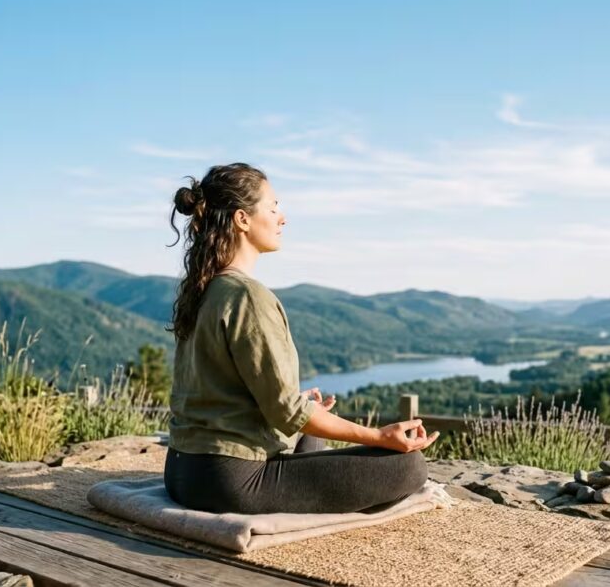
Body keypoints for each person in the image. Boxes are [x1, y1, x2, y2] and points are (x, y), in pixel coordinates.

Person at [164, 162, 440, 515]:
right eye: (273, 207)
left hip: (183, 471)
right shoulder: (247, 296)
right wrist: (379, 436)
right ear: (241, 219)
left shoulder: (203, 290)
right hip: (229, 479)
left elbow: (226, 392)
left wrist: (299, 407)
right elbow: (288, 412)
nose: (282, 218)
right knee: (409, 466)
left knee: (312, 433)